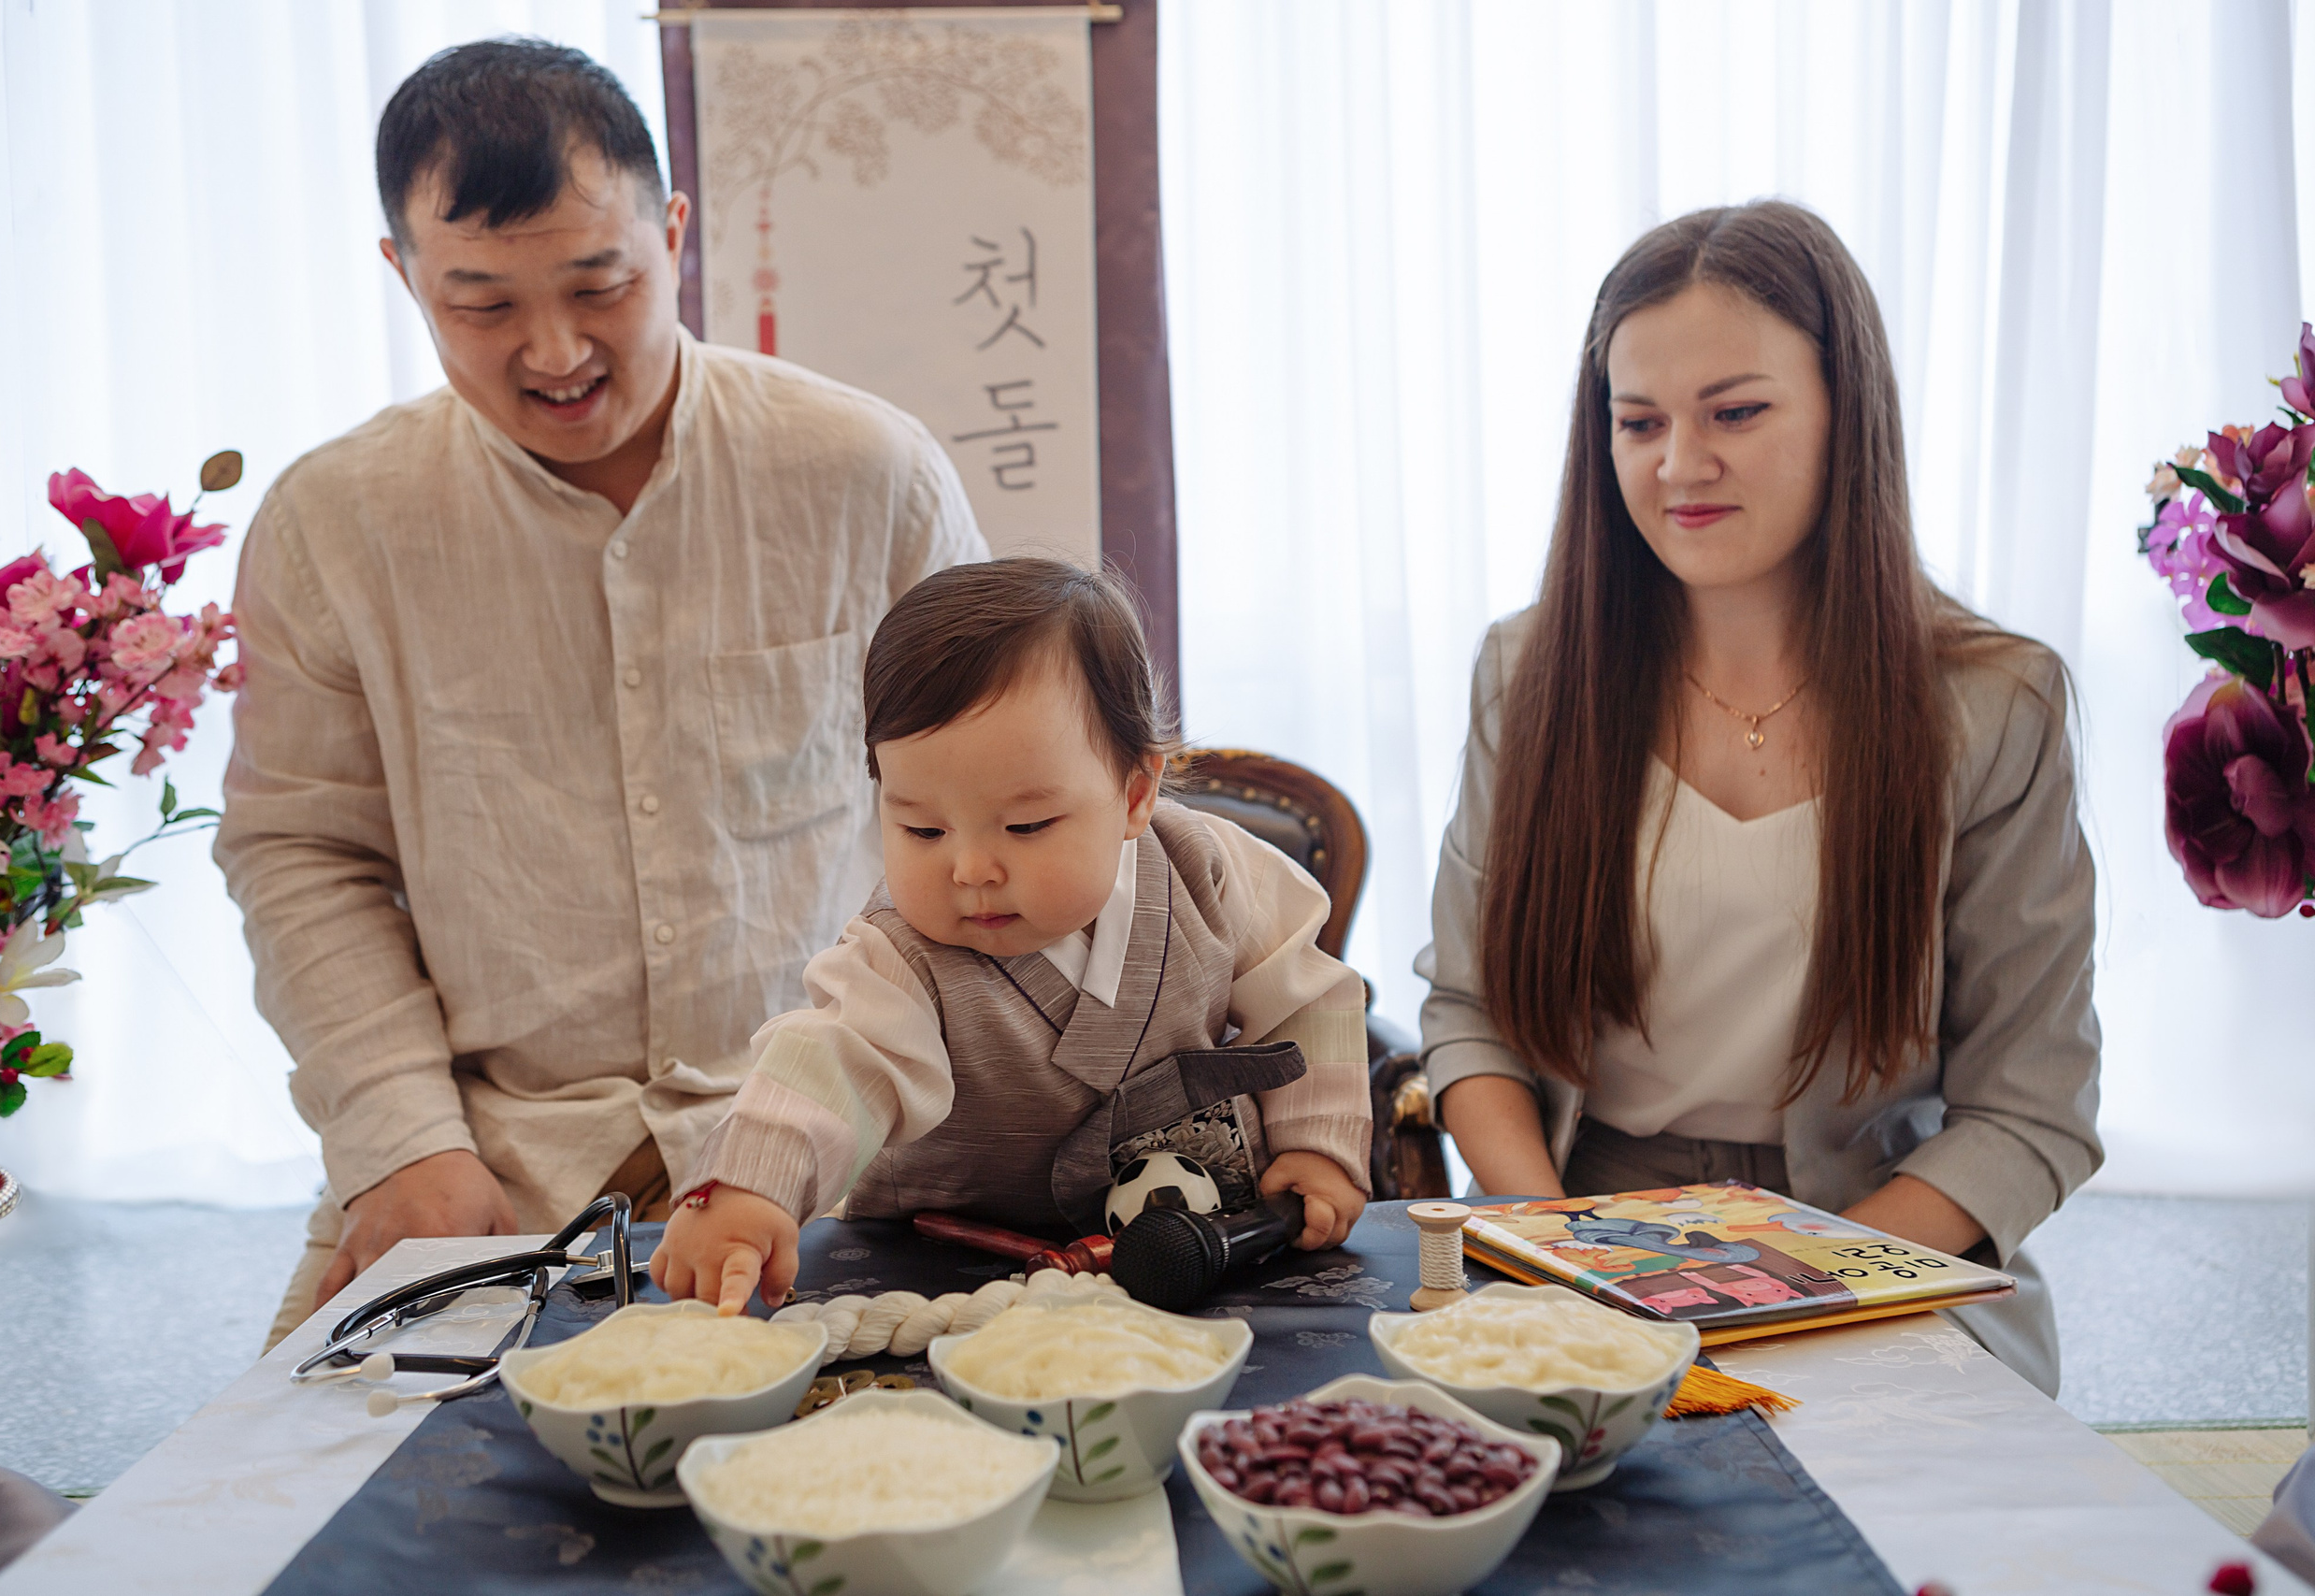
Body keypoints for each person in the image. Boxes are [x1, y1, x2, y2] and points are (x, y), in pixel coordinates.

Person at [217, 39, 986, 1348]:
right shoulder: (333, 523)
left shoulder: (867, 473)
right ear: (401, 274)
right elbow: (304, 853)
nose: (555, 350)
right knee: (295, 1518)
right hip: (489, 1155)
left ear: (673, 233)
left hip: (842, 1142)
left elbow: (988, 811)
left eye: (599, 283)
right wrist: (401, 1134)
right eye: (482, 303)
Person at [1416, 201, 2100, 1394]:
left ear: (1848, 414)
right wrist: (1560, 1244)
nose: (1680, 464)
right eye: (1639, 422)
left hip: (1877, 1236)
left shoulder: (1994, 703)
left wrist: (1777, 1285)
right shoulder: (1528, 676)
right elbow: (1471, 1011)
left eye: (1735, 412)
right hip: (1588, 1221)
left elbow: (2033, 1108)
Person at [649, 559, 1373, 1312]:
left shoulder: (1206, 870)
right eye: (921, 827)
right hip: (945, 1275)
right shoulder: (899, 951)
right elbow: (834, 1055)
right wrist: (748, 1184)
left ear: (1135, 792)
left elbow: (1309, 997)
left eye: (1027, 825)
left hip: (1190, 1254)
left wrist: (1316, 1146)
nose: (970, 868)